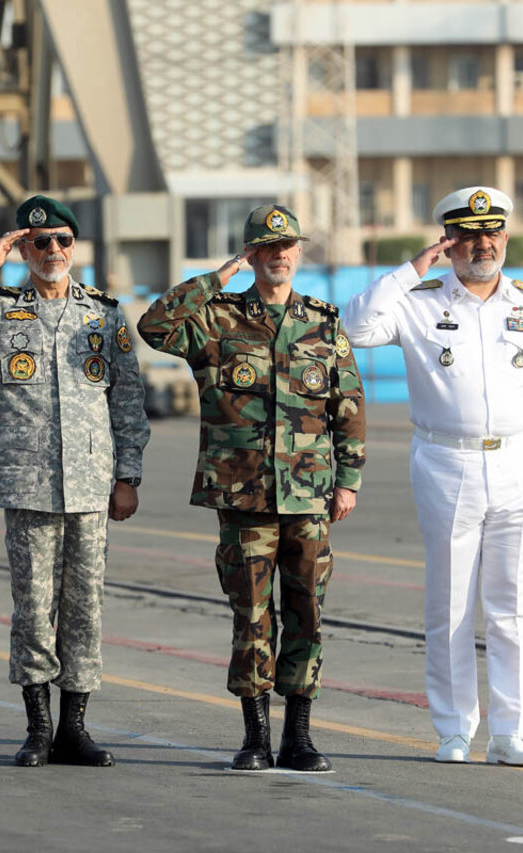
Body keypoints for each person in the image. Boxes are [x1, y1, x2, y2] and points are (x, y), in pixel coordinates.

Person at [344, 186, 523, 767]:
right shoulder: (418, 301)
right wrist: (407, 270)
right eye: (467, 235)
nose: (482, 244)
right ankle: (453, 730)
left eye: (491, 233)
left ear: (505, 237)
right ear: (448, 242)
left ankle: (510, 732)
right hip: (446, 461)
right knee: (448, 603)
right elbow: (351, 328)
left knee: (513, 604)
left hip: (520, 462)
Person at [0, 195, 150, 768]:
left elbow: (127, 399)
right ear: (24, 248)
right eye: (40, 241)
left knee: (85, 609)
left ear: (77, 247)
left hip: (92, 487)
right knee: (33, 608)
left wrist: (128, 476)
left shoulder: (104, 314)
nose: (53, 251)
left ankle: (75, 727)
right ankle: (38, 727)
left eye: (63, 241)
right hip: (28, 485)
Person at [137, 204, 366, 772]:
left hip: (309, 494)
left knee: (307, 611)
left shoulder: (322, 321)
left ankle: (301, 737)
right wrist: (219, 278)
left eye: (288, 247)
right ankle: (256, 738)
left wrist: (349, 481)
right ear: (251, 255)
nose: (279, 256)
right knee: (252, 615)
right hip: (244, 497)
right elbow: (154, 325)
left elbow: (349, 405)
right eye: (266, 248)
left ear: (298, 253)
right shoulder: (218, 321)